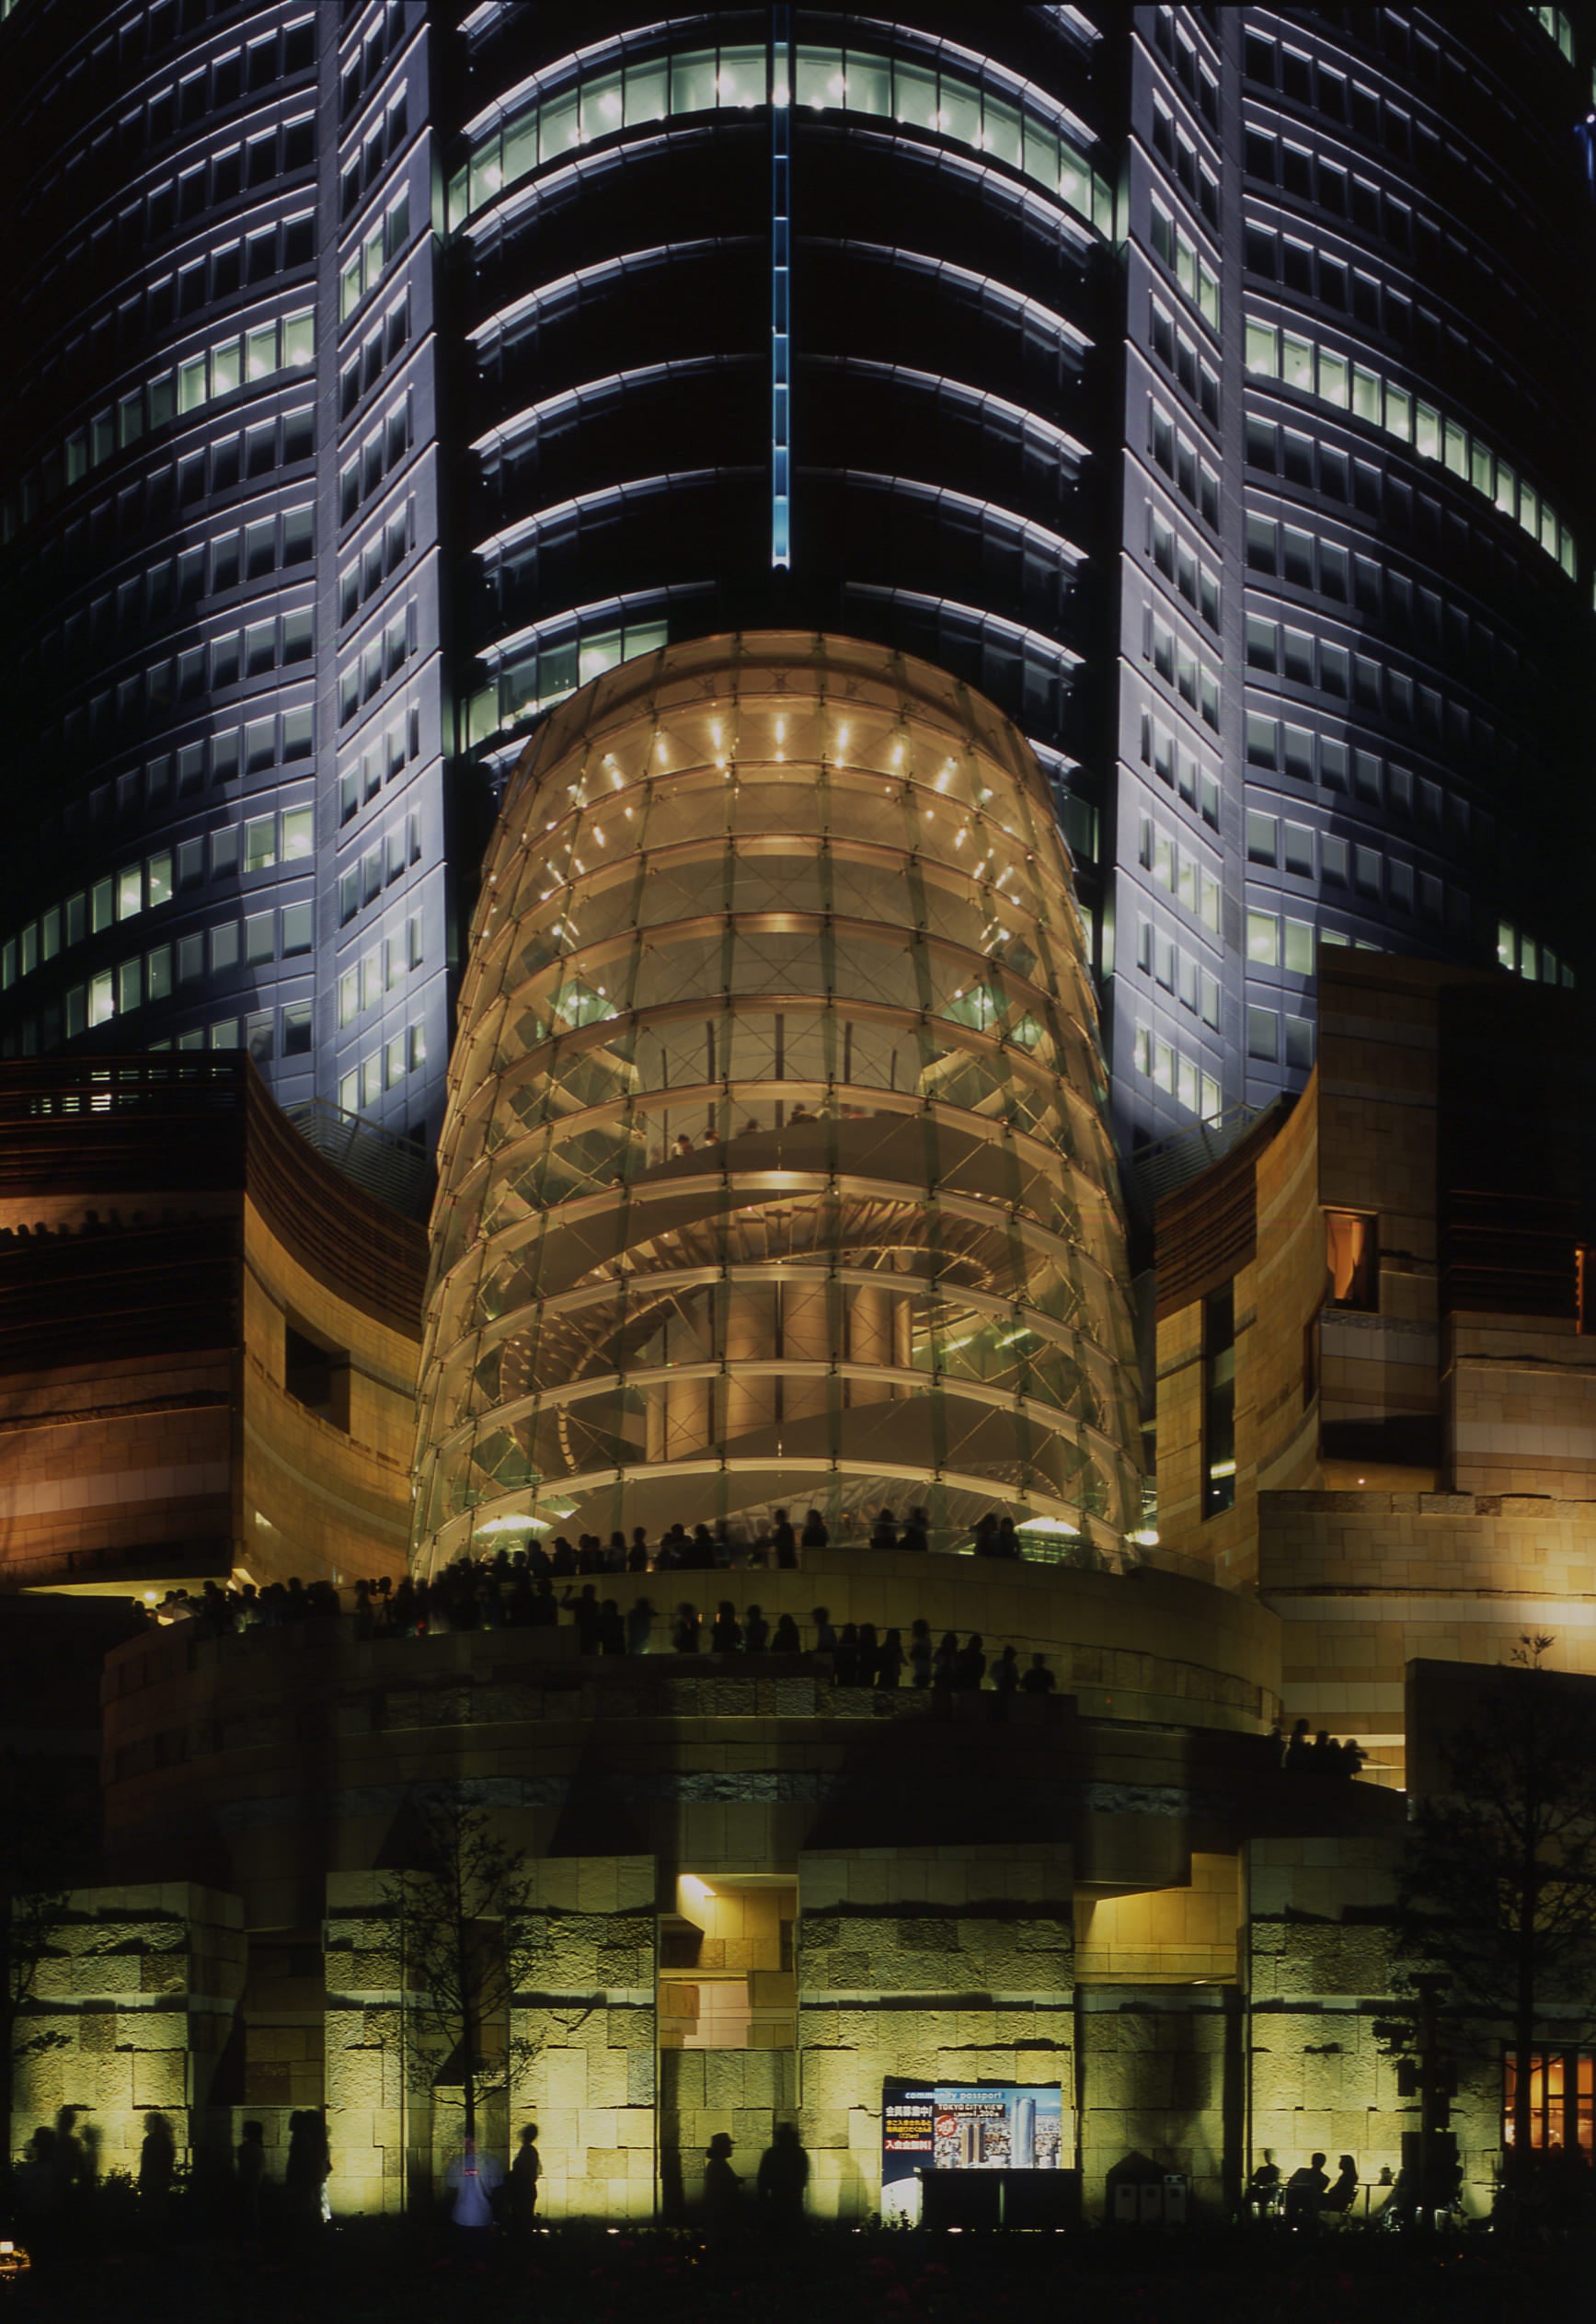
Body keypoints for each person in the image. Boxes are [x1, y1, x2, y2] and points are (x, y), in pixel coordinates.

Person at [446, 2134, 503, 2242]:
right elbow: (451, 2190)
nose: (469, 2144)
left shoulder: (491, 2162)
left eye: (472, 2140)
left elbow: (498, 2194)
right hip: (467, 2218)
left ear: (480, 2141)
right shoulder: (456, 2162)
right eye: (466, 2140)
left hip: (479, 2219)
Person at [756, 2122, 809, 2235]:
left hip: (778, 2196)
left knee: (778, 2228)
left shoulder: (772, 2153)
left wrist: (763, 2197)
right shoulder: (799, 2153)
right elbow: (802, 2177)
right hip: (793, 2197)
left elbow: (763, 2177)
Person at [703, 2130, 742, 2243]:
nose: (731, 2148)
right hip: (722, 2214)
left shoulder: (717, 2164)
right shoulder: (719, 2165)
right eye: (728, 2146)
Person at [139, 2111, 176, 2227]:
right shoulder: (166, 2141)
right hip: (162, 2180)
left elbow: (146, 2163)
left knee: (150, 2211)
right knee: (161, 2209)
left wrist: (142, 2179)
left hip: (151, 2180)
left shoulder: (150, 2140)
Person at [1284, 2151, 1328, 2230]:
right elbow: (1290, 2183)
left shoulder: (1323, 2178)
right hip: (1298, 2200)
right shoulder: (1324, 2178)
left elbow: (1317, 2191)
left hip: (1306, 2202)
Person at [509, 2124, 541, 2234]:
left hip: (522, 2191)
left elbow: (523, 2172)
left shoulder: (528, 2151)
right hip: (525, 2190)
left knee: (522, 2221)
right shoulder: (529, 2151)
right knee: (524, 2220)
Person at [236, 2119, 267, 2237]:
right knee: (252, 2206)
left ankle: (249, 2233)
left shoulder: (248, 2148)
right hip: (254, 2182)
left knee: (248, 2207)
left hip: (247, 2181)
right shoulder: (257, 2148)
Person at [1246, 2150, 1280, 2220]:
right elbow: (1253, 2179)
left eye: (1269, 2156)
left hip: (1268, 2192)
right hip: (1262, 2191)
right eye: (1266, 2156)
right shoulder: (1262, 2169)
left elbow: (1274, 2181)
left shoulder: (1274, 2169)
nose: (1267, 2158)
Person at [1321, 2154, 1359, 2219]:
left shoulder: (1346, 2177)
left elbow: (1336, 2190)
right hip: (1339, 2201)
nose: (1339, 2163)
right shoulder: (1350, 2176)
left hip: (1336, 2202)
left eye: (1341, 2162)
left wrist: (1331, 2190)